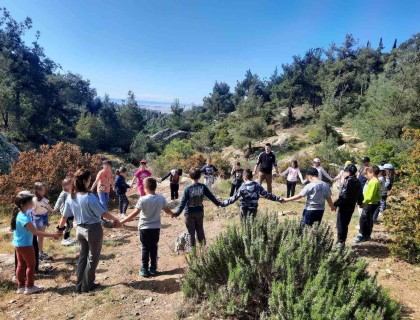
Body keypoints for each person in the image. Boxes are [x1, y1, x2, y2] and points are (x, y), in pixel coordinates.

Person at [57, 169, 120, 293]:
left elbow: (64, 216)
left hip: (79, 229)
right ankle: (87, 286)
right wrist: (116, 220)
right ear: (85, 181)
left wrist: (60, 229)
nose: (90, 182)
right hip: (93, 229)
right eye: (90, 180)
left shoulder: (71, 196)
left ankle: (79, 284)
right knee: (93, 258)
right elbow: (103, 213)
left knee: (82, 257)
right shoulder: (89, 197)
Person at [119, 177, 175, 277]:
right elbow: (167, 210)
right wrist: (173, 214)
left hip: (144, 228)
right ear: (155, 187)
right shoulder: (161, 198)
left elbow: (134, 214)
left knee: (145, 247)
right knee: (154, 247)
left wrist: (122, 222)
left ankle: (144, 268)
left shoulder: (143, 199)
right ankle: (153, 267)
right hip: (156, 227)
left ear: (145, 187)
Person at [11, 191, 60, 294]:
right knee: (31, 265)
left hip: (18, 244)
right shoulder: (24, 218)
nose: (32, 202)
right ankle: (30, 286)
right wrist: (53, 235)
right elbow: (36, 232)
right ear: (23, 204)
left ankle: (21, 287)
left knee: (21, 264)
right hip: (25, 245)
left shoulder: (20, 214)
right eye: (30, 201)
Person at [174, 168, 221, 248]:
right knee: (200, 230)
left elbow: (183, 203)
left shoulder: (187, 188)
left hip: (189, 213)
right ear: (199, 176)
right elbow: (211, 197)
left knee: (190, 233)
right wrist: (218, 204)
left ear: (190, 176)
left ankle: (192, 252)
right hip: (199, 212)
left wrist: (177, 213)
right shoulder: (203, 187)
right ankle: (203, 248)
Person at [333, 165, 363, 248]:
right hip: (351, 205)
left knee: (341, 223)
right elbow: (360, 194)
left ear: (348, 172)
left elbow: (344, 195)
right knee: (345, 223)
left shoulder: (348, 181)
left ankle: (340, 242)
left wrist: (335, 204)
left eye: (344, 171)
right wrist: (360, 203)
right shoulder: (357, 181)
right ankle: (342, 241)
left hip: (344, 205)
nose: (343, 173)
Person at [354, 166, 382, 243]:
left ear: (372, 173)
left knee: (364, 219)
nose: (367, 175)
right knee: (368, 219)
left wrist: (363, 202)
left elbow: (371, 195)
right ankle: (366, 235)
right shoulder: (374, 181)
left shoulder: (374, 182)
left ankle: (363, 235)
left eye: (368, 173)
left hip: (370, 203)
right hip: (371, 203)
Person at [33, 182, 55, 262]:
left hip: (44, 216)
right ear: (37, 191)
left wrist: (52, 210)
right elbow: (32, 211)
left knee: (41, 236)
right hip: (38, 218)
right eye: (41, 190)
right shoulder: (34, 200)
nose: (43, 192)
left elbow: (47, 205)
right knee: (40, 236)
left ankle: (40, 251)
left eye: (44, 190)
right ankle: (39, 253)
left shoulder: (44, 199)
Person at [54, 178, 74, 246]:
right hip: (66, 212)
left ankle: (67, 237)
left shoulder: (71, 192)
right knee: (69, 225)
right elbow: (59, 201)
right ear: (65, 186)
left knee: (70, 225)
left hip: (71, 211)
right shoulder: (63, 193)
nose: (72, 185)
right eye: (71, 184)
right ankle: (65, 239)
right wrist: (55, 208)